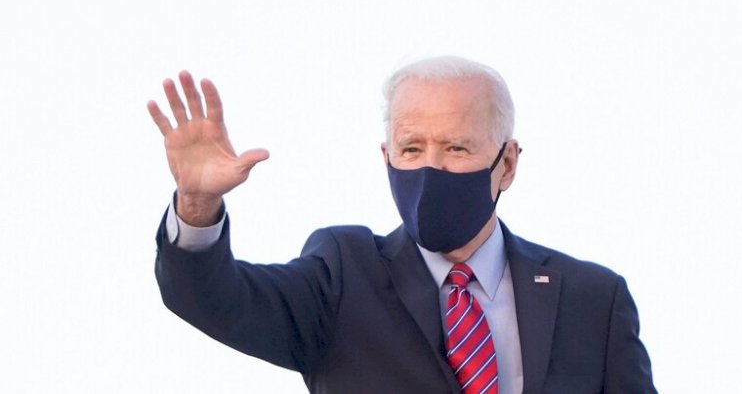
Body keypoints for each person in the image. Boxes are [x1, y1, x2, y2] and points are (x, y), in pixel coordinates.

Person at [148, 56, 656, 394]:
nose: (431, 167)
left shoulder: (593, 299)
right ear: (386, 157)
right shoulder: (342, 275)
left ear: (506, 164)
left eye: (456, 147)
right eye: (411, 149)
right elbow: (216, 300)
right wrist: (197, 203)